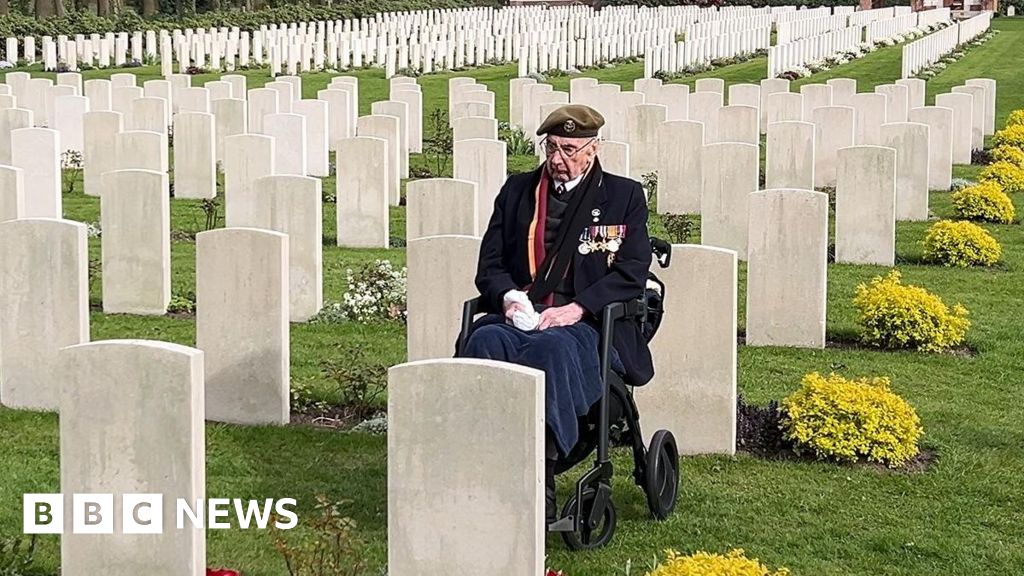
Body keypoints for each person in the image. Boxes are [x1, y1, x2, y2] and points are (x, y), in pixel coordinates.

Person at [459, 104, 653, 524]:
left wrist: (577, 308)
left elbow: (631, 273)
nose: (557, 160)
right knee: (483, 342)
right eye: (551, 148)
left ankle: (539, 482)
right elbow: (489, 265)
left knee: (551, 354)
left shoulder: (623, 196)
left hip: (585, 323)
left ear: (592, 149)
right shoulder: (517, 191)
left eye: (568, 149)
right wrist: (509, 296)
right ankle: (474, 463)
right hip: (522, 314)